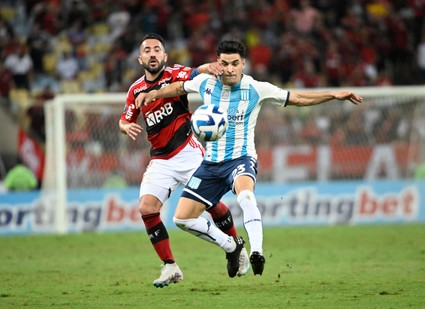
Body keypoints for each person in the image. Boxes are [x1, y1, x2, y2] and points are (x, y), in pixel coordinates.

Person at [135, 39, 363, 276]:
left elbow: (297, 98)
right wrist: (154, 94)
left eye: (235, 63)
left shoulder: (256, 88)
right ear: (218, 63)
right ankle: (231, 245)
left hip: (241, 159)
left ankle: (257, 251)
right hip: (210, 164)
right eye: (224, 63)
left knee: (245, 194)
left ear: (243, 64)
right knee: (181, 219)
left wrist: (334, 95)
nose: (230, 69)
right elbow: (179, 88)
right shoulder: (206, 83)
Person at [119, 34, 249, 288]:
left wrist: (209, 67)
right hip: (160, 160)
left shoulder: (173, 74)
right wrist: (125, 126)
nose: (153, 53)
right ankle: (170, 267)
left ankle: (236, 247)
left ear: (165, 56)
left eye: (158, 49)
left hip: (188, 151)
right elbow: (125, 118)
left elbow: (193, 72)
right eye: (148, 50)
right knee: (147, 208)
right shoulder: (135, 90)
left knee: (211, 204)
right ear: (140, 58)